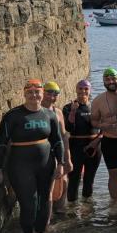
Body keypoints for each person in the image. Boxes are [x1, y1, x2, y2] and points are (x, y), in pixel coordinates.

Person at [0, 80, 65, 233]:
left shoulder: (49, 115)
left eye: (37, 91)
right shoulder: (13, 116)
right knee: (28, 203)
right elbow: (2, 144)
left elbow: (57, 141)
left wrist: (61, 163)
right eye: (30, 92)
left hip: (46, 165)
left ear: (42, 94)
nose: (34, 95)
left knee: (44, 202)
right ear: (24, 94)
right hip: (20, 166)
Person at [91, 68, 117, 200]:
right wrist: (103, 125)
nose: (111, 82)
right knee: (114, 175)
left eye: (113, 78)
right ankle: (115, 203)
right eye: (107, 79)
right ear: (103, 81)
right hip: (110, 142)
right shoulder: (98, 100)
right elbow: (94, 121)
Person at [62, 80, 102, 203]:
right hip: (76, 147)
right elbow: (69, 128)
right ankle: (72, 208)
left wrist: (98, 140)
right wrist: (73, 111)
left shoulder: (95, 106)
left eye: (86, 89)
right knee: (74, 179)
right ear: (76, 90)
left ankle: (87, 207)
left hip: (94, 147)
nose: (83, 91)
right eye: (80, 88)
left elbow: (105, 127)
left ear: (90, 90)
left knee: (89, 179)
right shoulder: (68, 107)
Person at [42, 81, 72, 212]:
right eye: (49, 92)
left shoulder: (58, 112)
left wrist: (68, 159)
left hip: (58, 155)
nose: (52, 96)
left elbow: (64, 137)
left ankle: (59, 214)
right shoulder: (36, 111)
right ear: (42, 93)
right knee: (47, 189)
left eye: (55, 94)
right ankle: (46, 220)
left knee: (64, 184)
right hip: (43, 156)